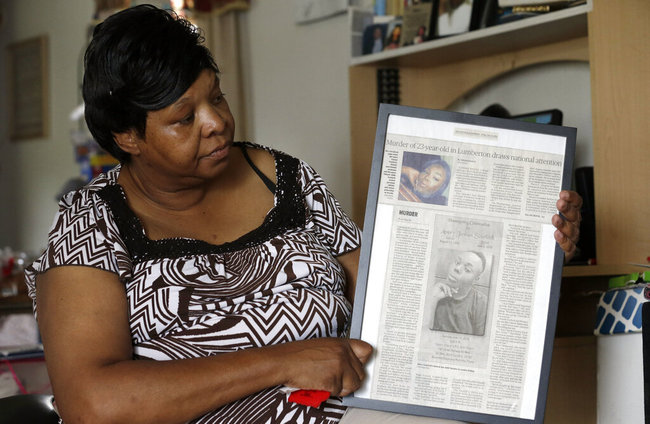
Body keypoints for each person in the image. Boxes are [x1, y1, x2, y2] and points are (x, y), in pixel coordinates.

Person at [23, 5, 583, 424]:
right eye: (182, 118)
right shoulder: (90, 225)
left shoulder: (286, 180)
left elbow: (401, 299)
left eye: (215, 97)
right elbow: (91, 403)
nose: (215, 122)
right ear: (127, 137)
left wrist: (525, 252)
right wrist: (282, 361)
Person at [429, 251, 488, 336]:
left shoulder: (481, 303)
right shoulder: (434, 291)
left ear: (475, 279)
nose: (457, 268)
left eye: (467, 269)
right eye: (457, 262)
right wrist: (433, 299)